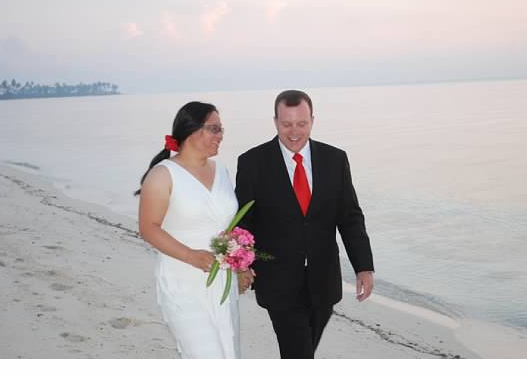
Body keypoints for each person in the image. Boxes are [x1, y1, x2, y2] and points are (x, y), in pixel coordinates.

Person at [235, 90, 374, 359]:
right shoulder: (252, 163)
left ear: (313, 120)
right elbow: (243, 222)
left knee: (303, 351)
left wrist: (364, 266)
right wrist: (243, 266)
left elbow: (350, 217)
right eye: (287, 124)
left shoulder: (335, 159)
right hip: (277, 282)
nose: (294, 132)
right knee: (298, 353)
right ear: (275, 121)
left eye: (302, 123)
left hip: (324, 281)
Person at [136, 101, 248, 358]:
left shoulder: (222, 172)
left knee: (229, 355)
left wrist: (241, 264)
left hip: (222, 282)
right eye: (214, 129)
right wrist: (191, 256)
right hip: (182, 280)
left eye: (221, 130)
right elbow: (148, 228)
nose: (220, 136)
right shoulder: (163, 175)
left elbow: (227, 227)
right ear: (191, 129)